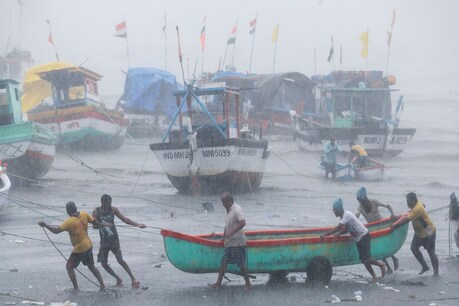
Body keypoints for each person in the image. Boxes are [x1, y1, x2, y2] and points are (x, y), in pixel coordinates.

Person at [38, 201, 106, 291]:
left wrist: (45, 225)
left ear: (68, 211)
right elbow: (94, 221)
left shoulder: (69, 222)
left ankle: (76, 288)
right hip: (89, 245)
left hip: (79, 249)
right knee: (91, 266)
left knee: (69, 267)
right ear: (76, 208)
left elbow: (56, 230)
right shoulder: (84, 214)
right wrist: (102, 225)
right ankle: (102, 285)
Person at [320, 198, 386, 282]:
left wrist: (325, 235)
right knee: (364, 261)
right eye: (333, 210)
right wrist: (340, 233)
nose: (334, 212)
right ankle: (374, 277)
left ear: (341, 209)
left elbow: (338, 227)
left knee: (367, 259)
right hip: (358, 239)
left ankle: (381, 264)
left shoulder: (347, 215)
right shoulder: (343, 217)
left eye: (336, 210)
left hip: (364, 236)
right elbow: (348, 228)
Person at [92, 194, 146, 288]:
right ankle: (118, 278)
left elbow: (125, 220)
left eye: (110, 203)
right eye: (108, 203)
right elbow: (94, 226)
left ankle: (133, 279)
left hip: (114, 240)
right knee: (104, 264)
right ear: (103, 202)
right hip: (104, 241)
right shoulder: (96, 212)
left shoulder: (113, 210)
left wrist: (138, 225)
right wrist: (103, 224)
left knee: (120, 260)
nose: (110, 205)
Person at [209, 192, 251, 289]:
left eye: (224, 203)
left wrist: (232, 231)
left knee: (240, 264)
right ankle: (218, 283)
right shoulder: (228, 210)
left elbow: (243, 222)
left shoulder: (237, 209)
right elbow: (227, 226)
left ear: (229, 201)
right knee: (224, 262)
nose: (223, 205)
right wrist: (224, 237)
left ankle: (248, 283)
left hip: (237, 242)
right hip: (229, 242)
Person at [392, 192, 439, 276]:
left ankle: (436, 273)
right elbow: (423, 205)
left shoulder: (417, 209)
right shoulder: (418, 204)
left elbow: (406, 220)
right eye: (406, 201)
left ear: (414, 200)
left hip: (429, 232)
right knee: (414, 248)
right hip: (419, 233)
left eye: (409, 201)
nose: (407, 203)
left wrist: (394, 226)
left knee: (431, 252)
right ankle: (425, 267)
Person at [355, 187, 399, 274]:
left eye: (360, 200)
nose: (359, 202)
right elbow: (357, 215)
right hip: (373, 228)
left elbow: (387, 205)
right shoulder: (360, 207)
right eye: (358, 200)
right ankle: (388, 268)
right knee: (379, 248)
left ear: (365, 199)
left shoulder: (374, 202)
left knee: (385, 245)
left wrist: (392, 214)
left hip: (382, 225)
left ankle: (394, 258)